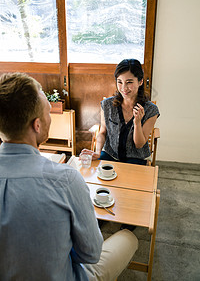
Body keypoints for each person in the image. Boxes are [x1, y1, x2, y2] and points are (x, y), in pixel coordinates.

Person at [0, 72, 138, 281]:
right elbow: (91, 254)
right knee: (129, 239)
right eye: (48, 112)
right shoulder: (66, 179)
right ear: (37, 125)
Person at [80, 58, 160, 165]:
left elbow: (139, 144)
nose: (123, 88)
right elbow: (103, 132)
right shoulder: (107, 105)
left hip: (136, 158)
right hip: (110, 154)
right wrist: (98, 152)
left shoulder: (151, 110)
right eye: (120, 82)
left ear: (140, 82)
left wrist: (137, 123)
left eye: (129, 82)